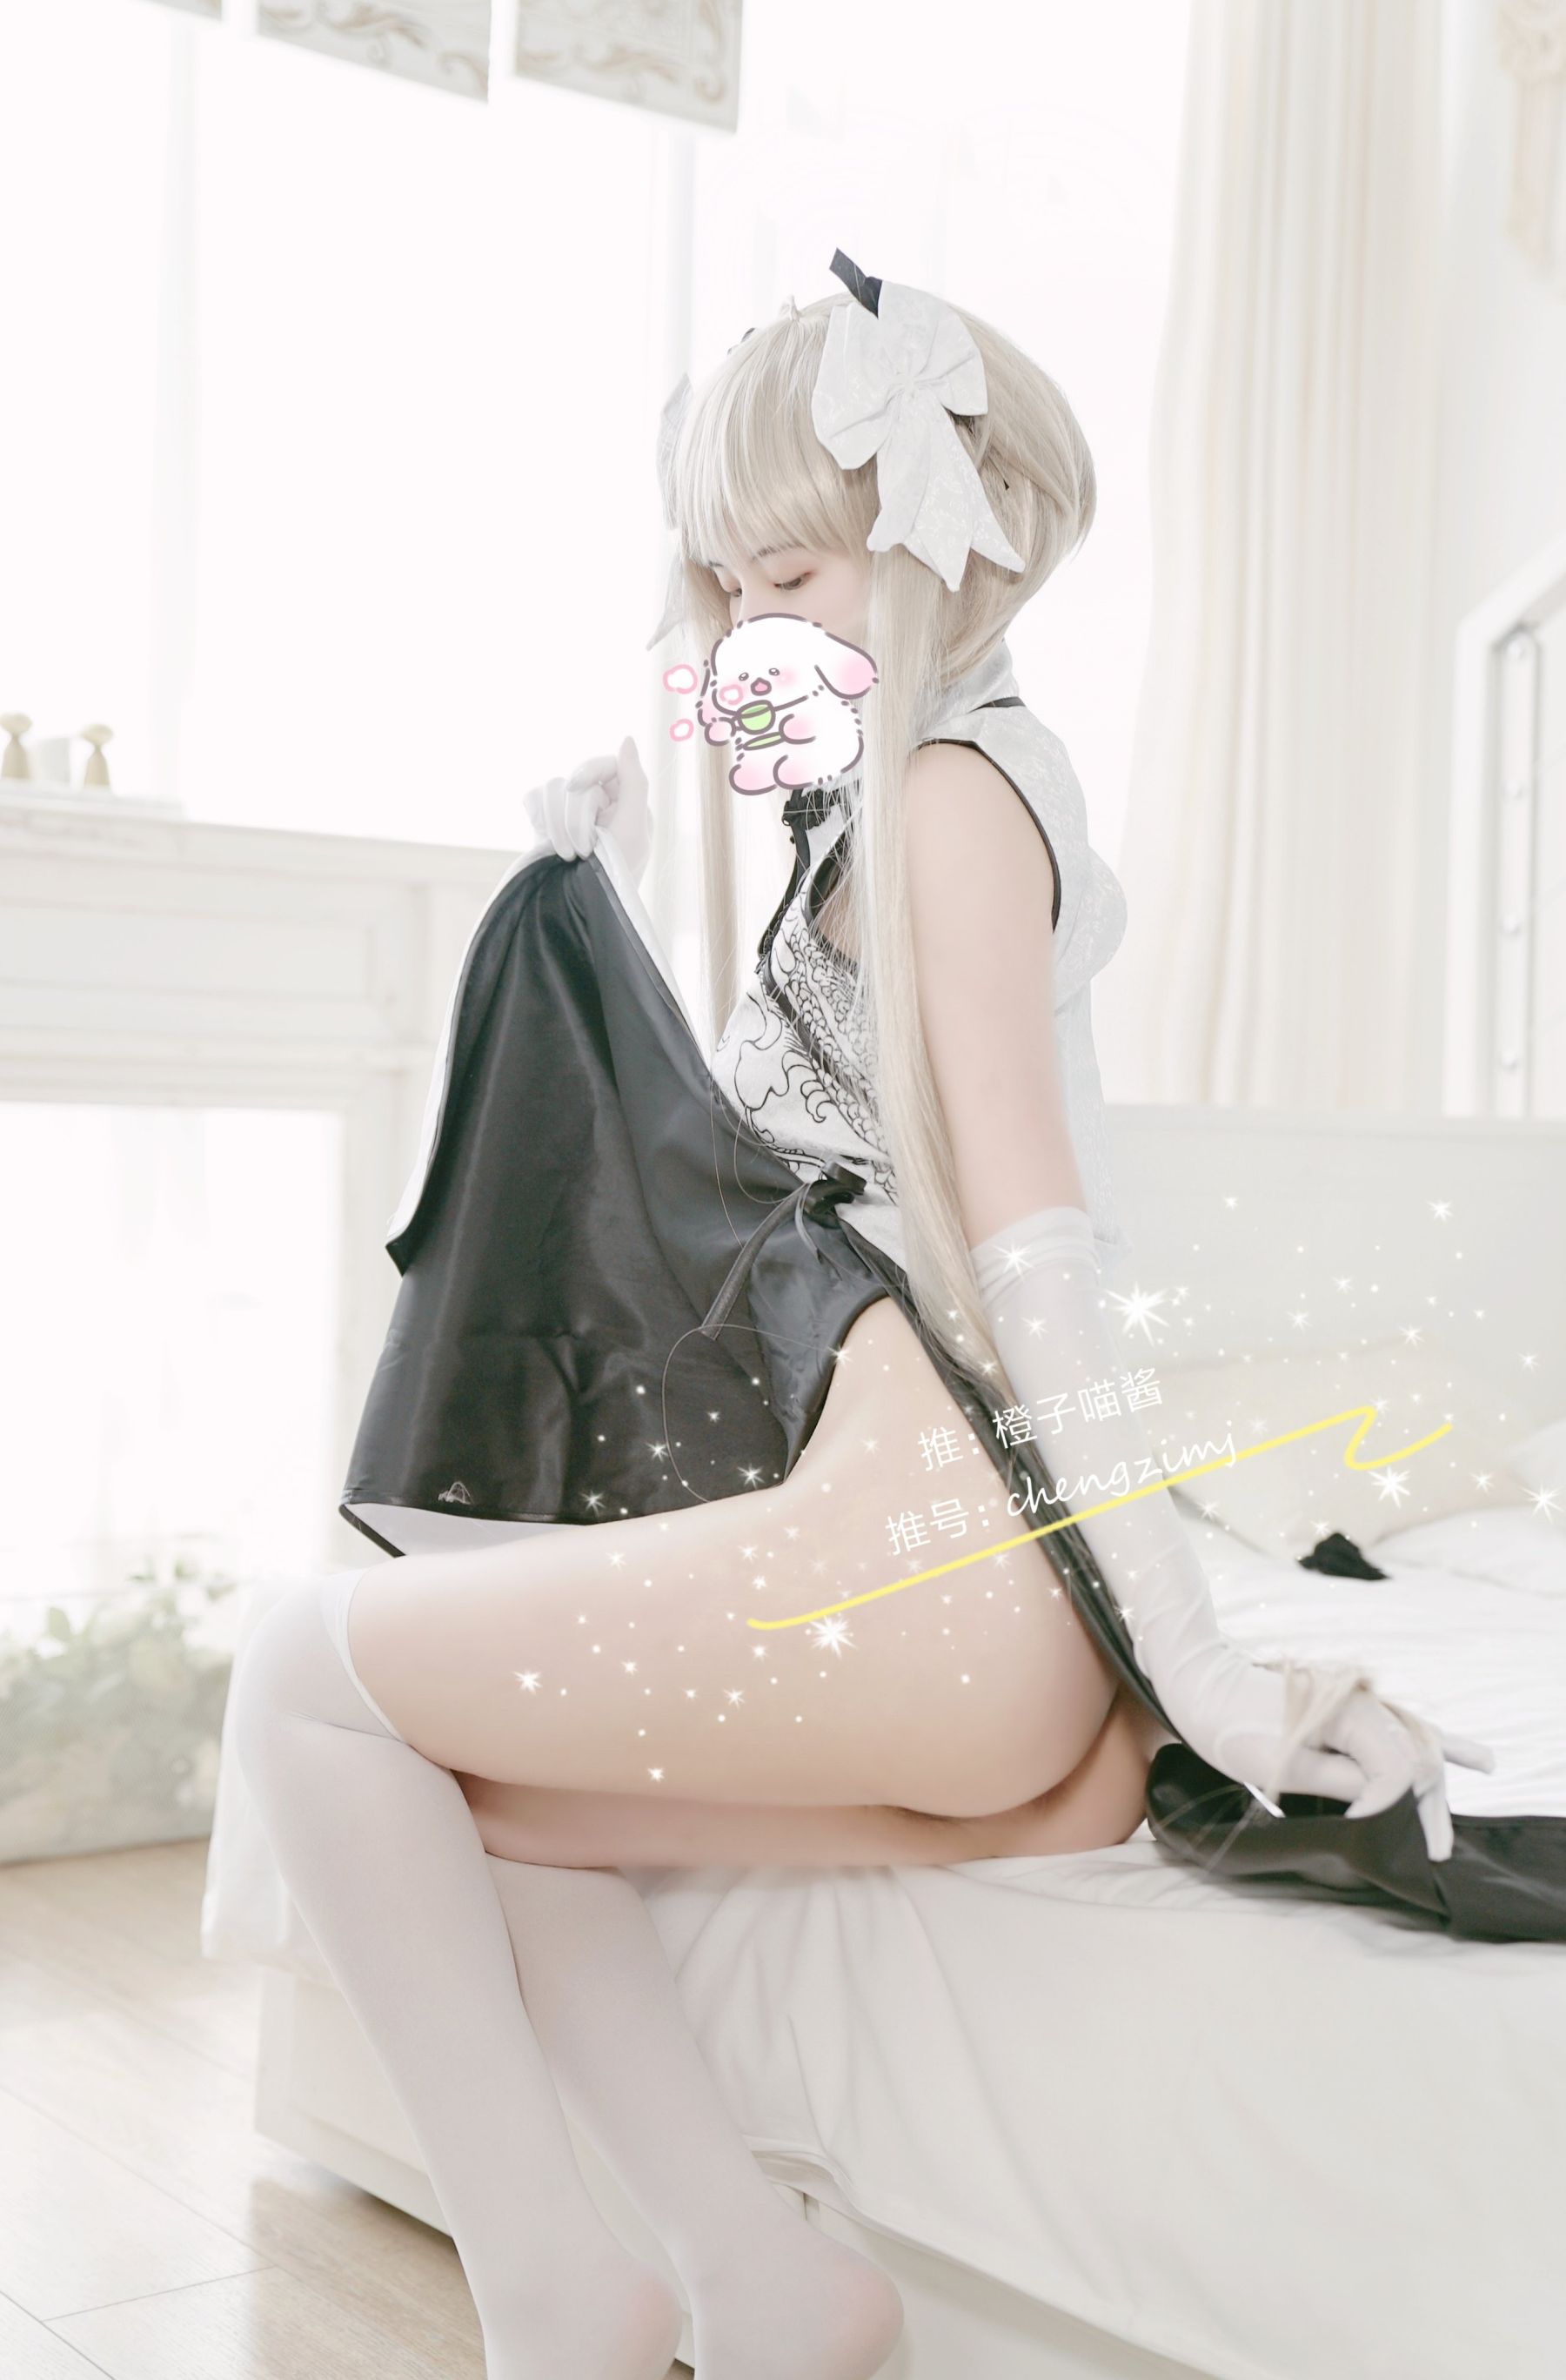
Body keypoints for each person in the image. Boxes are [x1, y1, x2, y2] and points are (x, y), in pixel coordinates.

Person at [227, 252, 1486, 2380]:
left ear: (937, 542)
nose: (741, 627)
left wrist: (1206, 1670)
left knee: (302, 1672)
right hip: (952, 1587)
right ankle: (765, 2278)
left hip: (948, 1577)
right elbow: (804, 1187)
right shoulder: (926, 785)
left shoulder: (950, 803)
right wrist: (626, 881)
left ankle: (561, 2299)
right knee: (493, 1780)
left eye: (786, 574)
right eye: (720, 584)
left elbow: (1037, 1264)